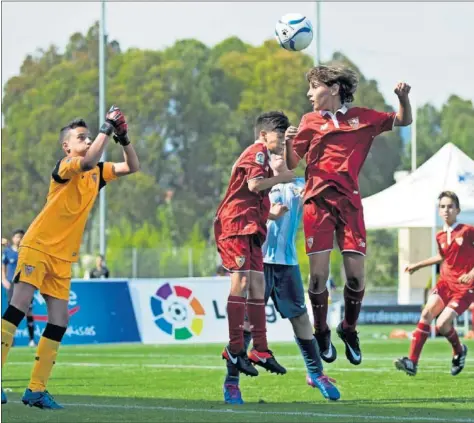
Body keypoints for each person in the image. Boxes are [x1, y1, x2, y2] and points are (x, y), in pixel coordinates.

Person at [1, 106, 139, 408]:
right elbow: (89, 159)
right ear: (67, 146)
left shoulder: (97, 173)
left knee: (60, 321)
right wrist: (106, 127)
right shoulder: (67, 165)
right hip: (37, 246)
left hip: (63, 258)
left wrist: (124, 138)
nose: (88, 141)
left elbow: (133, 167)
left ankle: (35, 390)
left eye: (89, 137)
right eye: (81, 138)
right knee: (19, 304)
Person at [285, 65, 412, 366]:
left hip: (350, 205)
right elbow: (292, 163)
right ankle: (321, 331)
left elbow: (403, 120)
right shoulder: (309, 121)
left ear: (333, 88)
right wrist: (290, 141)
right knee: (318, 277)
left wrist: (403, 98)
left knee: (356, 277)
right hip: (317, 203)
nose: (308, 93)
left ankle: (349, 329)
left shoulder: (363, 118)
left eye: (313, 87)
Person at [223, 154, 340, 404]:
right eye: (277, 154)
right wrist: (269, 215)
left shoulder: (300, 184)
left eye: (289, 153)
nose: (284, 157)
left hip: (287, 263)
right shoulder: (258, 183)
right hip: (258, 262)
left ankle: (316, 374)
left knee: (300, 318)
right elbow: (239, 217)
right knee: (246, 324)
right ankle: (231, 382)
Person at [214, 111, 294, 377]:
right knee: (243, 283)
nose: (282, 142)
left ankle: (260, 348)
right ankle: (235, 348)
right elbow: (254, 185)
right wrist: (281, 179)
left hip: (251, 227)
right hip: (235, 225)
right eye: (279, 137)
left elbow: (252, 194)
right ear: (264, 135)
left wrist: (271, 214)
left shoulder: (265, 158)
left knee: (259, 284)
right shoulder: (257, 152)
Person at [394, 191, 473, 376]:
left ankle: (459, 351)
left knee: (442, 324)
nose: (446, 210)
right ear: (439, 211)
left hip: (464, 288)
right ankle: (412, 362)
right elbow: (442, 257)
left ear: (458, 210)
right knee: (427, 313)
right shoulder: (440, 236)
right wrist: (417, 265)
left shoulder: (467, 231)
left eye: (450, 206)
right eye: (443, 207)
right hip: (445, 283)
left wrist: (471, 273)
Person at [2, 229, 36, 347]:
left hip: (25, 284)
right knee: (11, 311)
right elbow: (3, 266)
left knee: (28, 311)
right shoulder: (7, 252)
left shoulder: (27, 252)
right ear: (13, 238)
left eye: (21, 237)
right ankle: (8, 340)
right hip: (12, 285)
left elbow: (32, 267)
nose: (19, 239)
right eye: (17, 237)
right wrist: (4, 279)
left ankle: (31, 340)